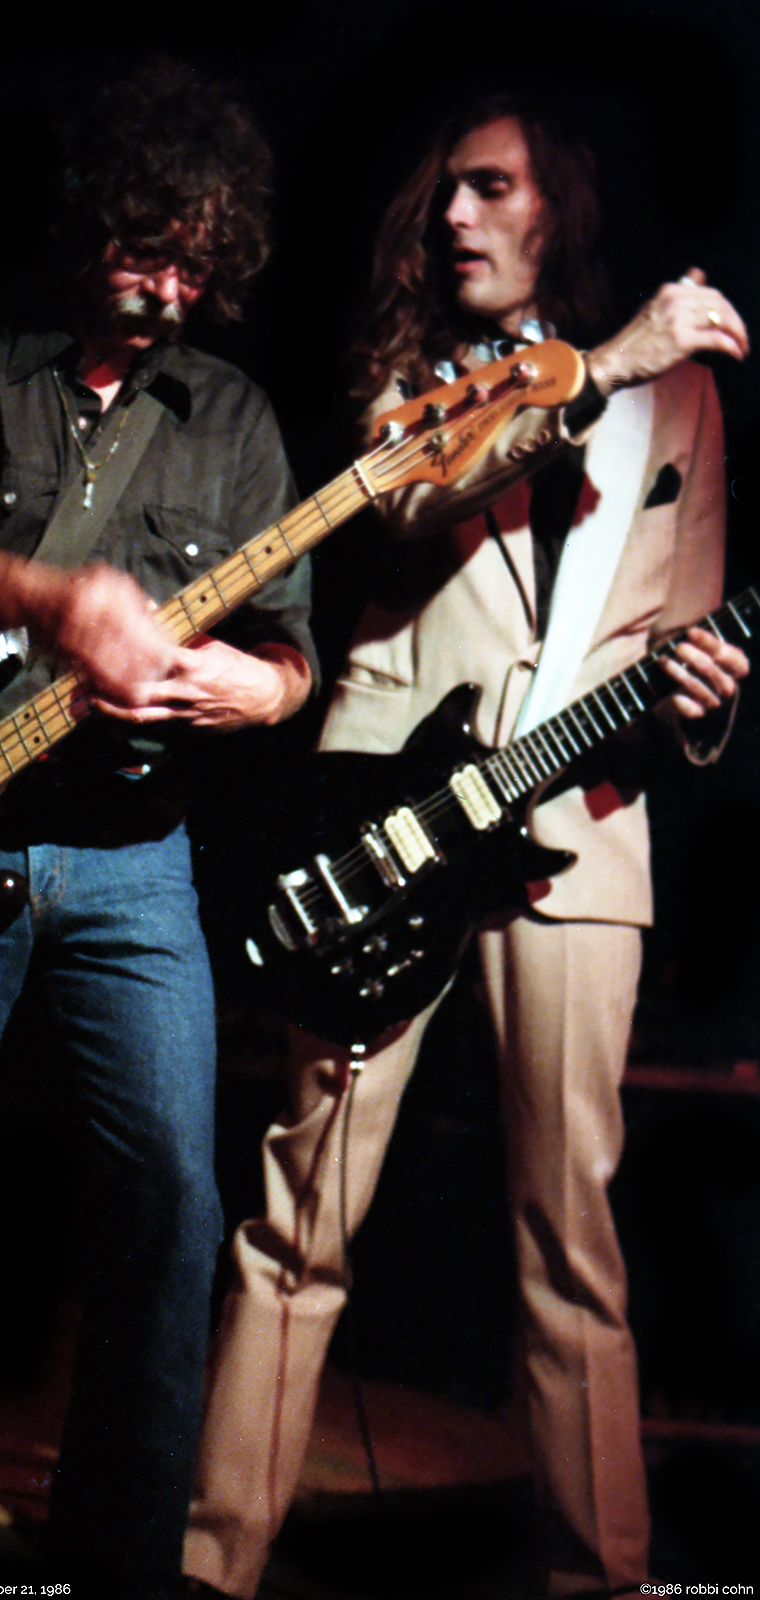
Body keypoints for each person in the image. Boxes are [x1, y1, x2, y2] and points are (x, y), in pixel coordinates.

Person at [182, 94, 749, 1599]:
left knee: (573, 1247)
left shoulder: (686, 405)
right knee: (299, 1221)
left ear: (558, 200)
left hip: (583, 837)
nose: (451, 217)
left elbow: (685, 628)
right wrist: (601, 366)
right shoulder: (416, 380)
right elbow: (420, 491)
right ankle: (210, 1565)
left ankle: (600, 1575)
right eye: (441, 192)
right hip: (389, 825)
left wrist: (702, 703)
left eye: (488, 187)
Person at [0, 62, 315, 1600]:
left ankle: (122, 1565)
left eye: (196, 267)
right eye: (145, 253)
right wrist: (57, 599)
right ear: (90, 225)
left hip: (138, 861)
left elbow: (291, 652)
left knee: (171, 1206)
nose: (168, 292)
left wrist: (260, 691)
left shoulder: (235, 420)